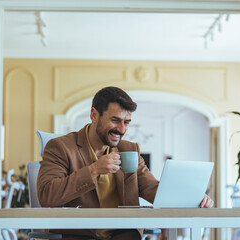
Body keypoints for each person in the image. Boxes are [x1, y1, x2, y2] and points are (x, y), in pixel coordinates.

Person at [37, 86, 213, 240]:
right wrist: (94, 170)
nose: (122, 129)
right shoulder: (60, 147)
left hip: (123, 236)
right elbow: (46, 194)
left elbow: (151, 188)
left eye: (126, 122)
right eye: (115, 120)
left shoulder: (129, 149)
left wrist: (192, 198)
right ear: (94, 115)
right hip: (78, 235)